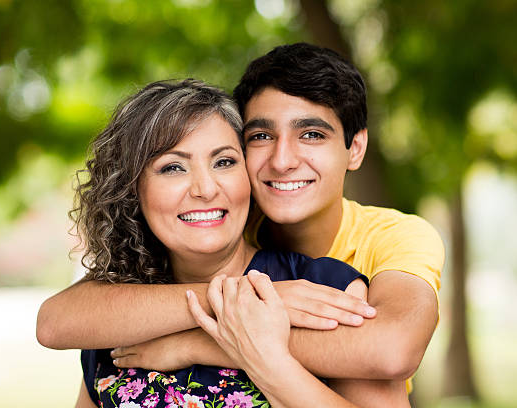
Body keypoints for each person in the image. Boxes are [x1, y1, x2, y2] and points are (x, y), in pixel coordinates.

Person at [38, 43, 444, 406]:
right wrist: (231, 297)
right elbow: (56, 322)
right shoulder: (134, 303)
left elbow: (391, 351)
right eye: (262, 136)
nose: (283, 160)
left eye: (313, 134)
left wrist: (212, 335)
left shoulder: (354, 267)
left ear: (354, 148)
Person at [66, 79, 371, 407]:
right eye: (173, 167)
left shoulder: (324, 289)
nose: (205, 189)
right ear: (131, 191)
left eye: (224, 162)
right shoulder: (114, 314)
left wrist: (262, 360)